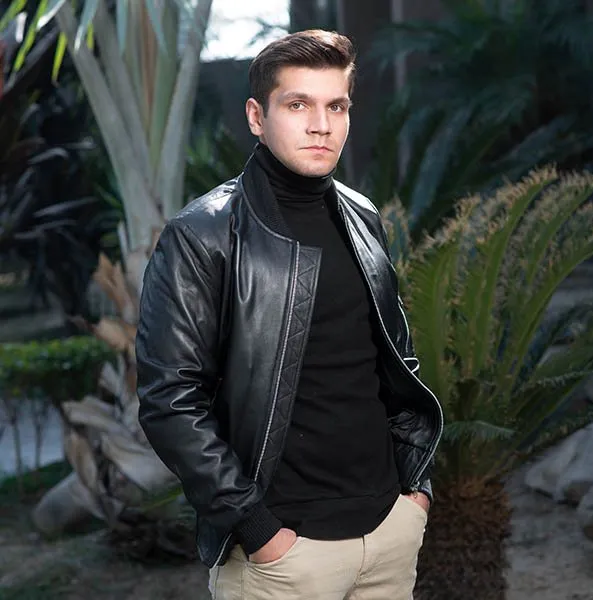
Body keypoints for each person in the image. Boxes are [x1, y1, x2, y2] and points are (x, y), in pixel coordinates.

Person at [136, 28, 443, 600]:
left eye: (337, 106)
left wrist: (416, 491)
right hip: (285, 555)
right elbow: (169, 399)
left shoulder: (362, 216)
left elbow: (396, 358)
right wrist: (256, 528)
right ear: (257, 116)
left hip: (389, 532)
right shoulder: (203, 233)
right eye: (298, 105)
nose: (321, 125)